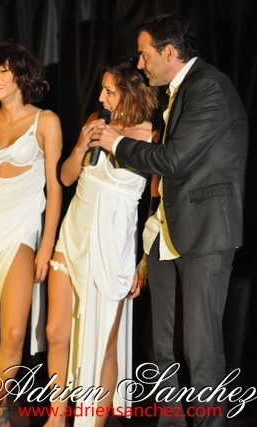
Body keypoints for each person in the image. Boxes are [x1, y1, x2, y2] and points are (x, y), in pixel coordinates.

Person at [92, 14, 248, 427]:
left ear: (170, 52)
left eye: (145, 55)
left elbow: (175, 161)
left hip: (205, 232)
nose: (140, 64)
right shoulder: (178, 91)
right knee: (164, 348)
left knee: (200, 349)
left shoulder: (209, 87)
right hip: (165, 233)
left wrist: (118, 143)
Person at [44, 57, 158, 427]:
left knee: (105, 344)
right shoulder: (95, 123)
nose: (102, 97)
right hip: (72, 236)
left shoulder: (153, 137)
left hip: (113, 247)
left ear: (131, 93)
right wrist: (80, 146)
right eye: (103, 89)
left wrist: (144, 262)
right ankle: (56, 418)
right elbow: (65, 178)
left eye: (110, 91)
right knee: (56, 332)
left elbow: (157, 204)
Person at [0, 42, 63, 427]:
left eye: (2, 70)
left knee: (15, 332)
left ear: (22, 74)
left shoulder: (46, 121)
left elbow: (55, 187)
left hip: (21, 228)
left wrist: (46, 244)